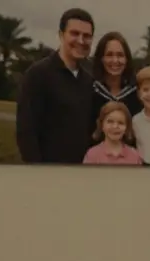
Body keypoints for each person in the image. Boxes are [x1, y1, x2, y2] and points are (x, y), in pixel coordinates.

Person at [14, 8, 95, 163]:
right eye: (74, 33)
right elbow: (26, 132)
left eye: (87, 36)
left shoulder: (89, 80)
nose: (81, 40)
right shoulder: (38, 74)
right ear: (61, 35)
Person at [90, 32, 143, 127]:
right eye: (109, 55)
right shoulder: (90, 92)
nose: (115, 60)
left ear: (127, 59)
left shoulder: (138, 94)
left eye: (120, 55)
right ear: (101, 58)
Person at [83, 102, 141, 166]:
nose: (115, 126)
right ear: (102, 125)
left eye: (120, 123)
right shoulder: (92, 154)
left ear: (126, 128)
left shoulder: (134, 155)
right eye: (110, 121)